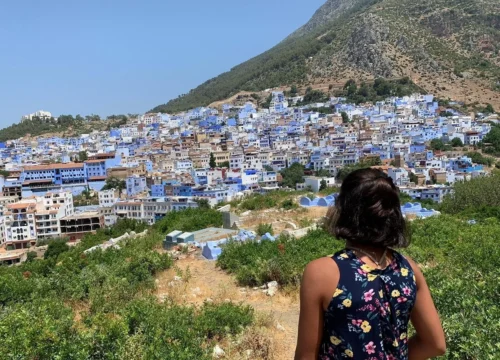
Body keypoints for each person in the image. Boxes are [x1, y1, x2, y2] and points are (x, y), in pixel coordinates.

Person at [295, 168, 445, 360]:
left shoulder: (321, 272)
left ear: (346, 211)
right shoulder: (408, 269)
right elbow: (435, 344)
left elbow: (305, 356)